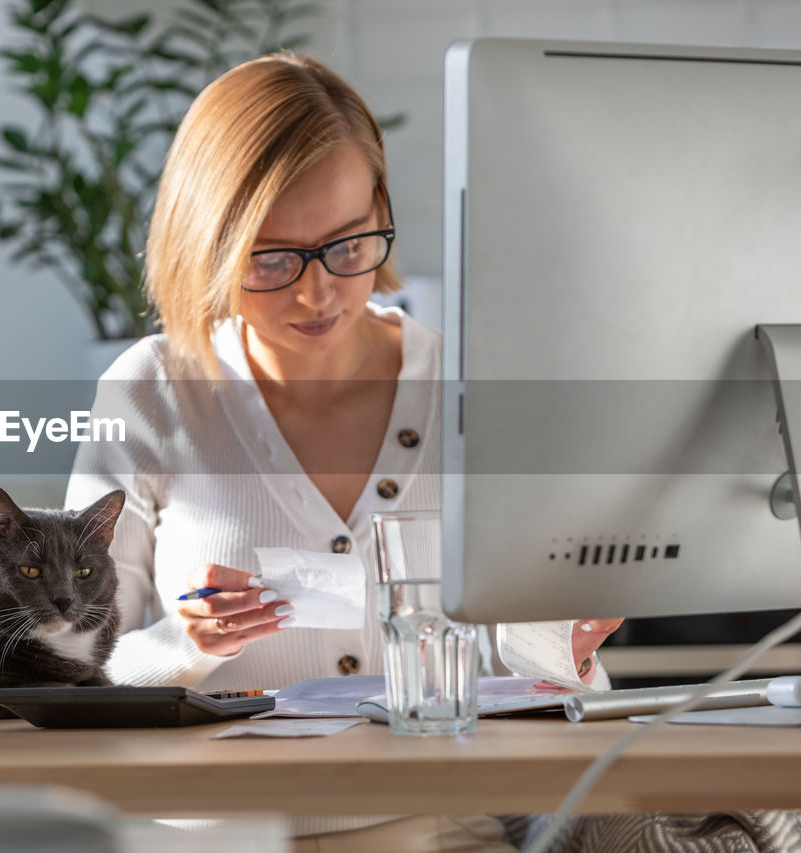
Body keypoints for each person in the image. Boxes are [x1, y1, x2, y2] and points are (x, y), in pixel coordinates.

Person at [65, 52, 620, 851]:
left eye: (347, 243)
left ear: (380, 208)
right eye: (271, 256)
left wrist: (563, 643)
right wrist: (186, 642)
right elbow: (76, 669)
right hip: (212, 834)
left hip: (437, 826)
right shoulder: (152, 388)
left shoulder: (469, 387)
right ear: (207, 242)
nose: (316, 293)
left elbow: (547, 690)